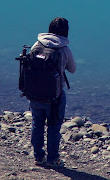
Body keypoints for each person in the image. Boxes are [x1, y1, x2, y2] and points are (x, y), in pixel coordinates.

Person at [28, 17, 76, 168]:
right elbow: (72, 69)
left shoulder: (37, 45)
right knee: (54, 127)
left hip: (35, 94)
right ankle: (53, 158)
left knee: (37, 124)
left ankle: (38, 157)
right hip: (55, 96)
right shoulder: (64, 49)